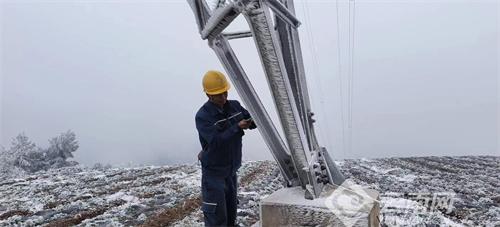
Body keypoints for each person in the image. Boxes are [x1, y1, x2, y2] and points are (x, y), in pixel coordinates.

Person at [195, 70, 256, 227]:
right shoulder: (203, 116)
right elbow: (215, 141)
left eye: (225, 92)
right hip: (214, 174)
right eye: (218, 95)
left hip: (231, 171)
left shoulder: (234, 106)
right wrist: (237, 127)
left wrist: (252, 121)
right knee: (217, 218)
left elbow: (252, 119)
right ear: (209, 95)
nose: (223, 97)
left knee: (230, 214)